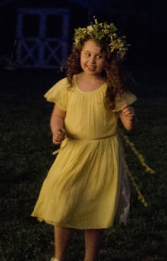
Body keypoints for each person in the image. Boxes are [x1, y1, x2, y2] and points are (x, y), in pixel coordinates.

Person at [32, 19, 137, 261]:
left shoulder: (113, 89)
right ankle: (59, 256)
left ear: (108, 60)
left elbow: (128, 124)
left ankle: (91, 258)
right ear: (79, 54)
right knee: (63, 201)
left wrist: (130, 118)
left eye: (99, 56)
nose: (91, 61)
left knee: (95, 208)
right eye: (87, 54)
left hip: (103, 153)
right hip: (73, 151)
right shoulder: (68, 85)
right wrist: (57, 130)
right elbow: (58, 114)